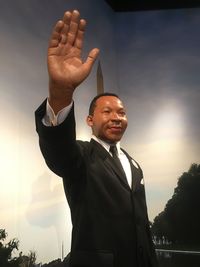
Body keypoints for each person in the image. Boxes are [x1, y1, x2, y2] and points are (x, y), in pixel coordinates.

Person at [35, 10, 158, 267]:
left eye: (122, 112)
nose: (116, 117)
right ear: (90, 120)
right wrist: (60, 93)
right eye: (107, 111)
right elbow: (58, 150)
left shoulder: (135, 165)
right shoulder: (80, 156)